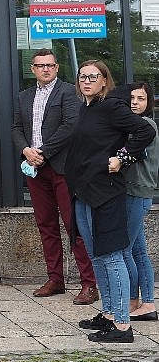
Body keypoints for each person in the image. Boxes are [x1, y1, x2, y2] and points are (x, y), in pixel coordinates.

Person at [65, 61, 154, 343]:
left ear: (105, 81)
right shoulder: (86, 109)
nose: (87, 81)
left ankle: (123, 326)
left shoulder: (111, 108)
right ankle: (109, 313)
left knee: (111, 256)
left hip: (106, 192)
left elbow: (145, 132)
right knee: (97, 257)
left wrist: (122, 158)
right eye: (82, 77)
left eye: (93, 77)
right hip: (83, 192)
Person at [11, 48, 97, 304]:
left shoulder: (70, 91)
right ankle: (55, 278)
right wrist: (26, 150)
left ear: (57, 68)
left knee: (75, 226)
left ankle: (89, 283)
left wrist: (43, 152)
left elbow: (70, 127)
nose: (45, 69)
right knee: (46, 225)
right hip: (35, 169)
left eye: (50, 65)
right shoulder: (24, 96)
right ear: (33, 69)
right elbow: (16, 128)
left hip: (62, 167)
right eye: (40, 65)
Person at [124, 82, 159, 321]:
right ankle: (145, 302)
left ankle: (138, 301)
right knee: (138, 250)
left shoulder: (144, 125)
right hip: (138, 191)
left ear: (149, 103)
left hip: (137, 191)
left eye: (141, 98)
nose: (135, 102)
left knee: (127, 250)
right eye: (132, 98)